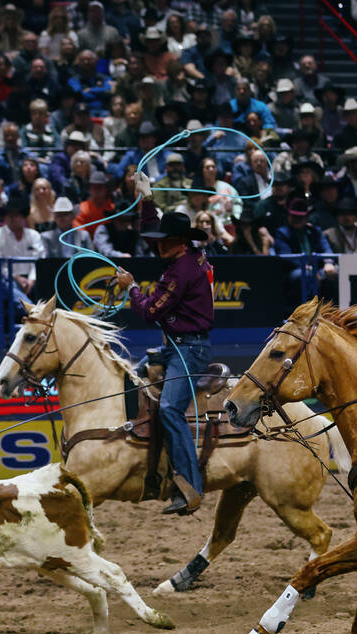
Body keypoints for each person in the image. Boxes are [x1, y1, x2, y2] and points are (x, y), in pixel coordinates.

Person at [114, 171, 214, 516]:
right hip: (178, 345)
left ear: (180, 242)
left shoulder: (180, 272)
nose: (157, 245)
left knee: (171, 408)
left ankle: (190, 486)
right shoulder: (186, 257)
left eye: (164, 240)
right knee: (130, 378)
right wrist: (147, 199)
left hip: (188, 350)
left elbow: (149, 311)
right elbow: (153, 228)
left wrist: (130, 287)